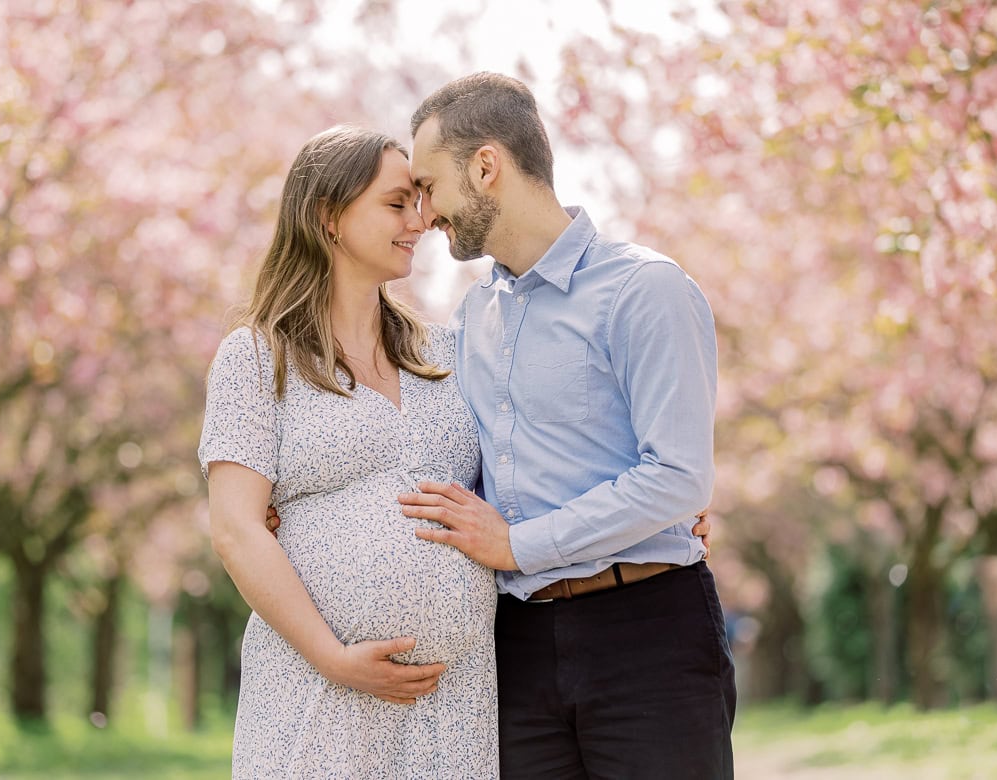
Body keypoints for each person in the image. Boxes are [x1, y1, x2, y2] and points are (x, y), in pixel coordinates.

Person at [398, 72, 737, 779]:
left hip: (647, 632)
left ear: (486, 166)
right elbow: (439, 452)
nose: (424, 213)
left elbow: (678, 477)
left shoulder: (645, 290)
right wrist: (295, 508)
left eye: (429, 185)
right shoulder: (470, 319)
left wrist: (518, 545)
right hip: (517, 645)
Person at [198, 125, 499, 778]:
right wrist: (334, 656)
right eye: (396, 203)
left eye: (420, 200)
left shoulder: (446, 355)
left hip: (453, 700)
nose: (420, 220)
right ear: (329, 216)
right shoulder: (257, 358)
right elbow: (236, 529)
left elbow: (527, 468)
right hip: (317, 688)